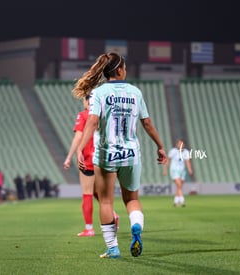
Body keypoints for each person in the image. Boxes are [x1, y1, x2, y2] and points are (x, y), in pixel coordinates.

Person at [74, 52, 167, 258]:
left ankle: (113, 248)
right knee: (132, 199)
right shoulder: (135, 92)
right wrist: (160, 146)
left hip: (107, 155)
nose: (126, 70)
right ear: (119, 70)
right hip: (131, 154)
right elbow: (147, 123)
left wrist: (80, 148)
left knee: (106, 201)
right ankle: (136, 227)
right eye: (124, 67)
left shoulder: (99, 93)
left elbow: (92, 122)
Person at [64, 96, 109, 237]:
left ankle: (89, 228)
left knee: (87, 193)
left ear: (86, 101)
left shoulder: (84, 115)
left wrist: (69, 157)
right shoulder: (102, 116)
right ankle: (112, 215)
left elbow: (78, 137)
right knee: (99, 193)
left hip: (88, 159)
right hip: (103, 159)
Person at [163, 139, 194, 207]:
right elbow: (168, 161)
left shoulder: (186, 152)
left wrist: (190, 170)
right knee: (179, 185)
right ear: (177, 144)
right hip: (174, 170)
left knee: (179, 187)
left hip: (182, 171)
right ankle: (182, 201)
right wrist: (165, 170)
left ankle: (175, 201)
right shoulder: (173, 151)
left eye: (182, 144)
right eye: (179, 144)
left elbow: (187, 161)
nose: (180, 145)